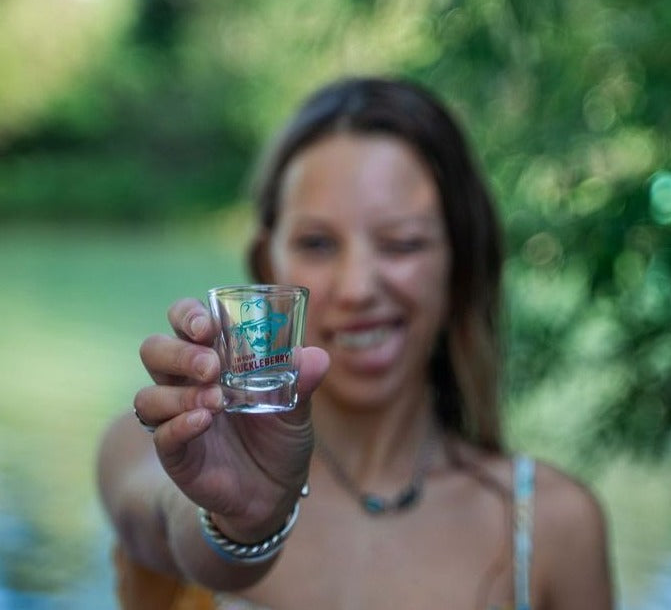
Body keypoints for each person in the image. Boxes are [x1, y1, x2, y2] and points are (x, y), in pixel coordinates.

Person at [97, 76, 614, 610]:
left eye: (402, 243)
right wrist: (241, 524)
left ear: (459, 266)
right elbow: (163, 525)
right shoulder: (165, 445)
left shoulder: (553, 527)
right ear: (265, 264)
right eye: (317, 243)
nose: (357, 287)